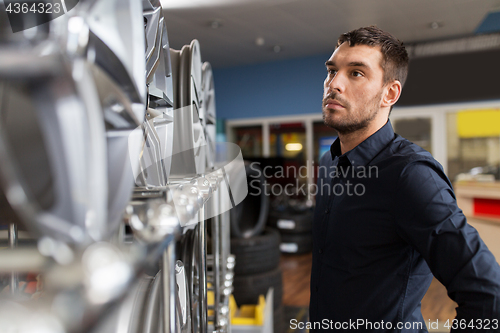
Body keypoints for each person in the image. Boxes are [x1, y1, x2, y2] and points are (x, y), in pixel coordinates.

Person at [310, 26, 500, 332]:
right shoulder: (328, 163)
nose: (335, 84)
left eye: (356, 73)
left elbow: (489, 294)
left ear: (390, 93)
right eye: (332, 71)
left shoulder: (411, 175)